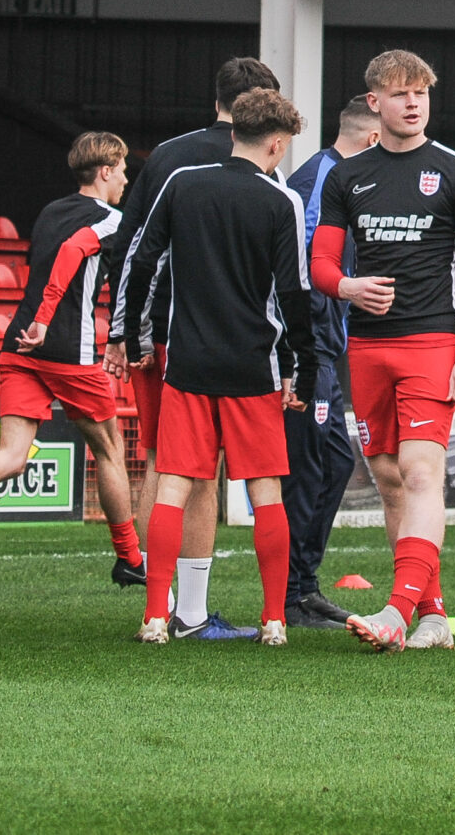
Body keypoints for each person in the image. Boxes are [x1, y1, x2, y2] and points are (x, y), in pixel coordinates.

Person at [308, 49, 455, 652]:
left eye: (422, 93)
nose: (414, 103)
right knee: (389, 478)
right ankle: (433, 616)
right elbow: (321, 265)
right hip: (365, 349)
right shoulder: (346, 176)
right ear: (374, 104)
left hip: (432, 344)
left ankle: (395, 611)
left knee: (420, 472)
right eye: (401, 93)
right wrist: (348, 286)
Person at [125, 87, 316, 646]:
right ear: (277, 145)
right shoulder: (282, 202)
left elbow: (142, 260)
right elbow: (292, 293)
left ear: (233, 133)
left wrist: (134, 331)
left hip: (187, 363)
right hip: (252, 369)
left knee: (174, 489)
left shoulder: (183, 184)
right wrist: (298, 366)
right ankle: (275, 620)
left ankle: (156, 617)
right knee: (266, 496)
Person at [0, 132, 144, 584]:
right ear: (104, 171)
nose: (124, 179)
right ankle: (130, 559)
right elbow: (72, 252)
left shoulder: (49, 211)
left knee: (12, 454)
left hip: (18, 346)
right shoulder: (110, 220)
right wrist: (46, 319)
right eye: (121, 170)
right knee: (110, 451)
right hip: (65, 349)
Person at [280, 95, 380, 628]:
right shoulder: (324, 178)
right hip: (309, 349)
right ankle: (293, 595)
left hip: (325, 347)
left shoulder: (334, 177)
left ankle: (305, 586)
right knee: (309, 467)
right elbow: (302, 267)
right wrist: (314, 343)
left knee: (337, 463)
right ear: (370, 139)